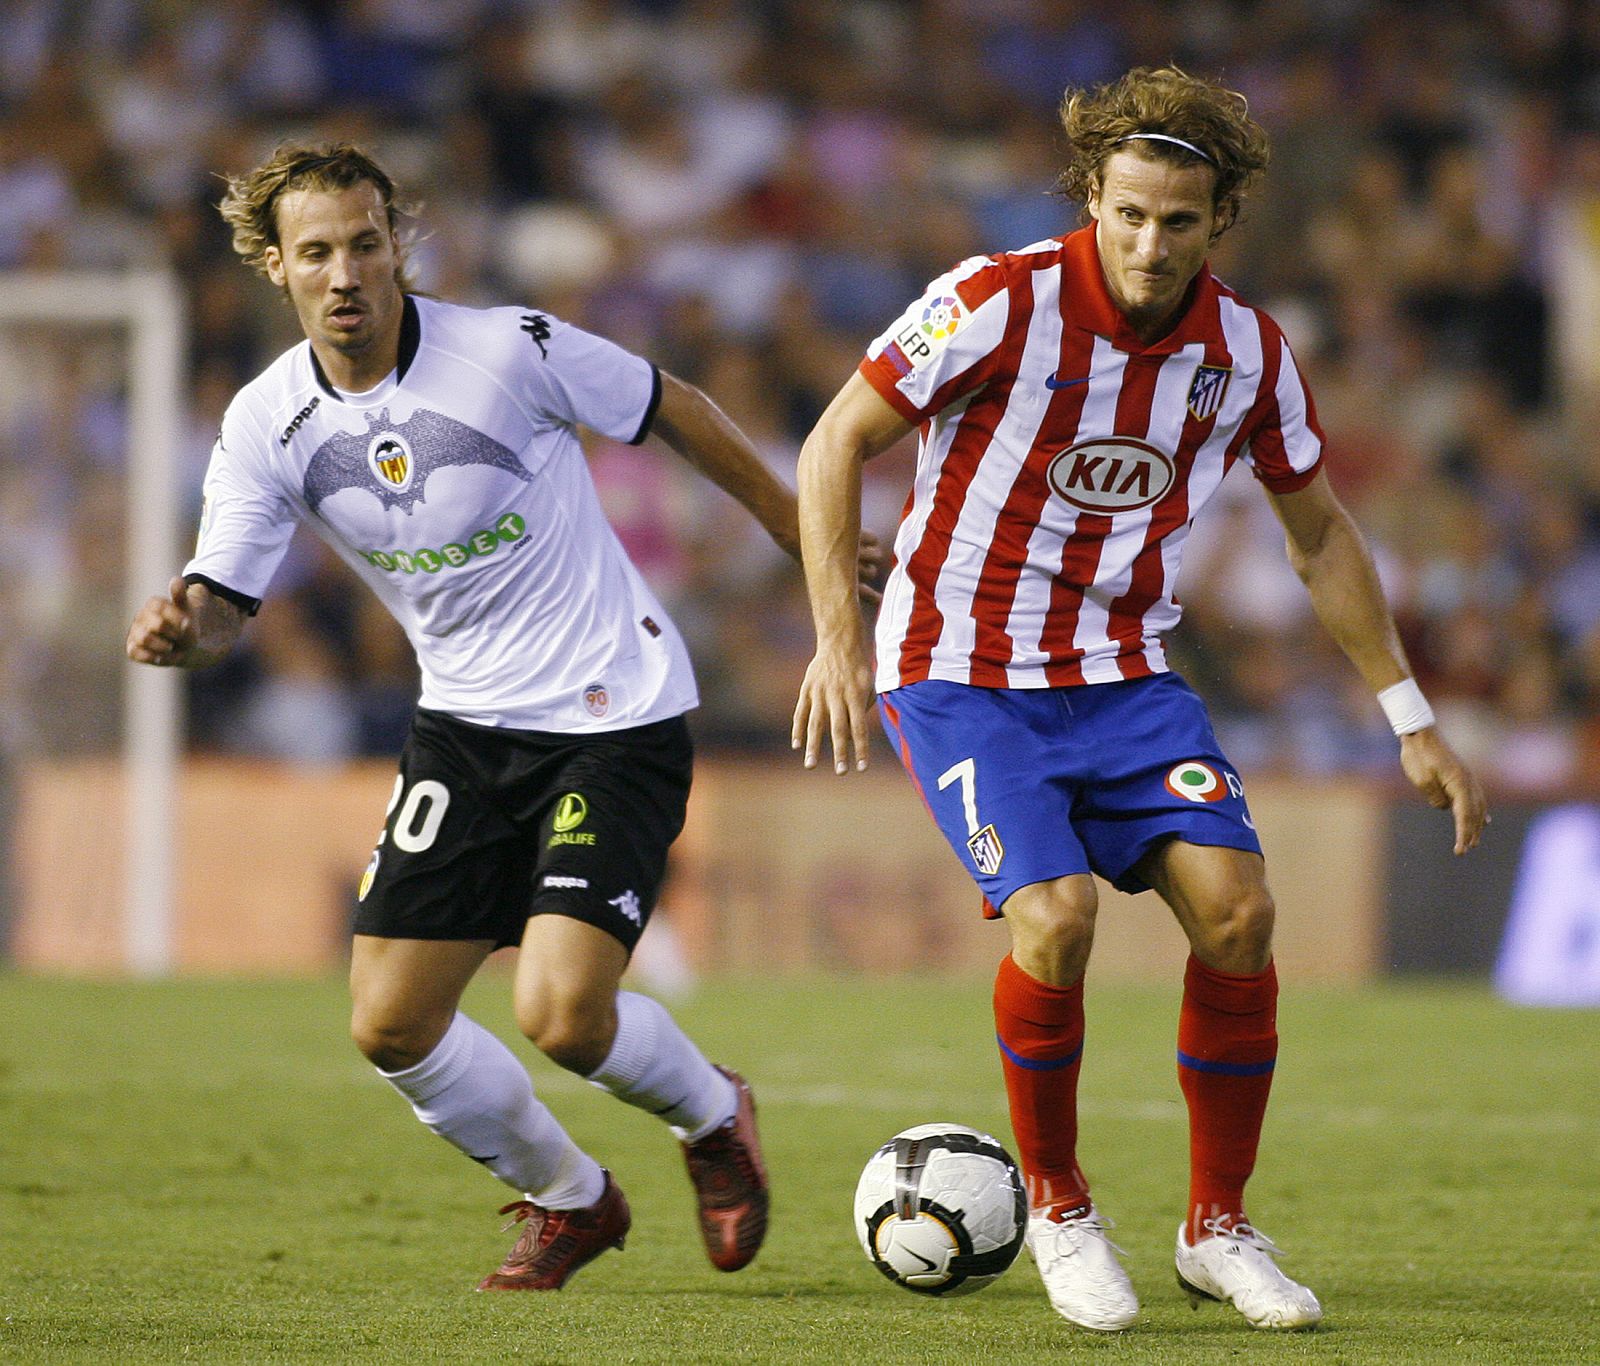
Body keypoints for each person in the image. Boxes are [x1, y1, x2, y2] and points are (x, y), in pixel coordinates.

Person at [792, 67, 1487, 1333]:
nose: (1148, 243)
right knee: (1051, 919)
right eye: (1127, 214)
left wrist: (1410, 716)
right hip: (959, 670)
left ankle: (1216, 1229)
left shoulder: (1249, 352)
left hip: (1122, 675)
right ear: (1091, 198)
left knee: (1238, 913)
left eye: (1177, 220)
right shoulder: (997, 302)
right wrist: (838, 640)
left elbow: (1320, 534)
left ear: (1219, 219)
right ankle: (1058, 1208)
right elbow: (836, 437)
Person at [126, 141, 879, 1293]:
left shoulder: (507, 350)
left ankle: (714, 1114)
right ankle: (572, 1199)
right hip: (464, 728)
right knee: (387, 1024)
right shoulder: (263, 423)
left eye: (366, 244)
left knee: (564, 1015)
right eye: (316, 252)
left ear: (397, 247)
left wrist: (793, 529)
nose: (346, 274)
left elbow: (670, 405)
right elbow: (225, 598)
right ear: (274, 268)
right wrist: (188, 631)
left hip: (611, 709)